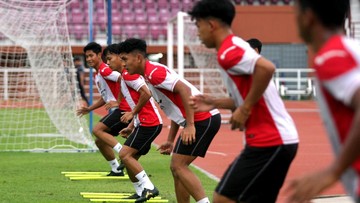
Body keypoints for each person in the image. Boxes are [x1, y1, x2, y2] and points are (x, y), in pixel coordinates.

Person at [188, 1, 299, 203]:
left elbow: (266, 68)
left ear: (211, 25)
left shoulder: (229, 51)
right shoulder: (233, 46)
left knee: (223, 198)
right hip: (275, 140)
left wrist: (245, 109)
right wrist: (215, 102)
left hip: (271, 140)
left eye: (198, 26)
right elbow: (243, 97)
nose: (197, 33)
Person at [119, 38, 221, 203]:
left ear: (138, 58)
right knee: (177, 169)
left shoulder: (153, 73)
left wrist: (190, 125)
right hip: (200, 119)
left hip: (203, 118)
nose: (123, 64)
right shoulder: (149, 75)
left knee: (178, 166)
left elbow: (184, 89)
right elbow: (176, 107)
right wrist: (170, 140)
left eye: (125, 59)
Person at [285, 0, 360, 202]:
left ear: (308, 17)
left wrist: (333, 172)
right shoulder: (351, 48)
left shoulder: (331, 57)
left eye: (296, 14)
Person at [103, 43, 163, 203]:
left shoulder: (130, 76)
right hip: (143, 123)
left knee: (124, 155)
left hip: (150, 123)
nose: (108, 63)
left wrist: (132, 113)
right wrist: (131, 125)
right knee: (129, 159)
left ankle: (149, 187)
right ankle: (141, 190)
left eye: (110, 59)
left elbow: (147, 93)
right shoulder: (124, 77)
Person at [76, 42, 131, 176]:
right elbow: (105, 97)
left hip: (125, 109)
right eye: (86, 56)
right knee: (100, 141)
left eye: (91, 55)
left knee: (97, 130)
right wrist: (89, 109)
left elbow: (122, 77)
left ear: (99, 55)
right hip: (120, 108)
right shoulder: (99, 74)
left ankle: (124, 154)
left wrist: (118, 101)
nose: (88, 59)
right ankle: (116, 169)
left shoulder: (104, 70)